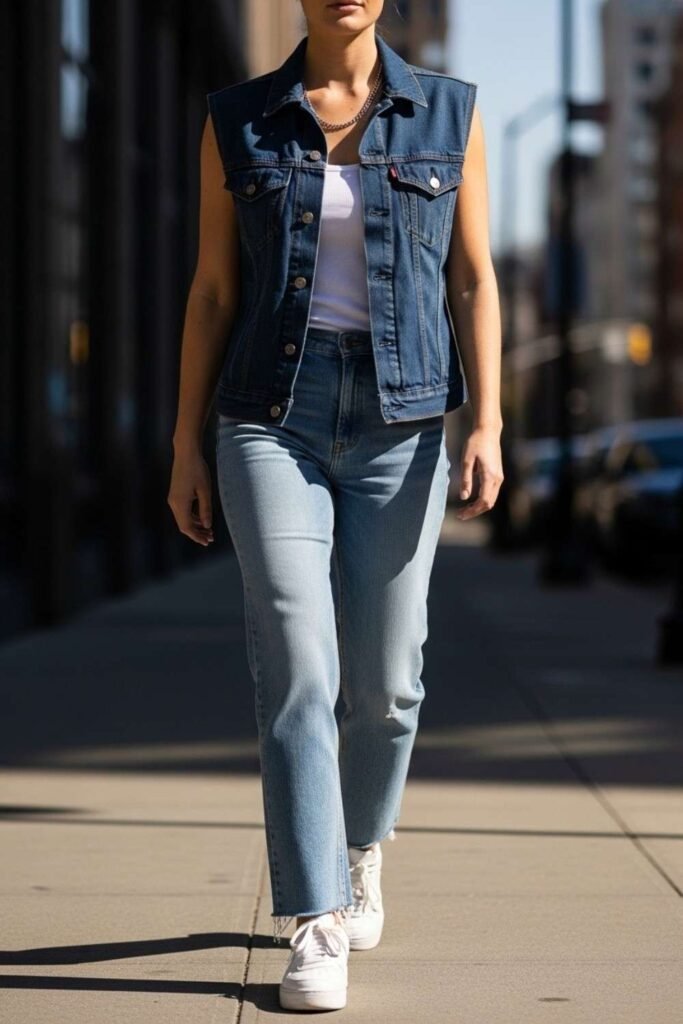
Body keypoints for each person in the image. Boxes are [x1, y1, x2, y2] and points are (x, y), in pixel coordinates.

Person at [168, 0, 503, 1012]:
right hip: (272, 413)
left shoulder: (449, 111)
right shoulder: (237, 115)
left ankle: (361, 850)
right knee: (298, 662)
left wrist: (486, 423)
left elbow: (474, 279)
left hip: (403, 422)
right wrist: (184, 441)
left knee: (388, 684)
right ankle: (313, 916)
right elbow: (214, 293)